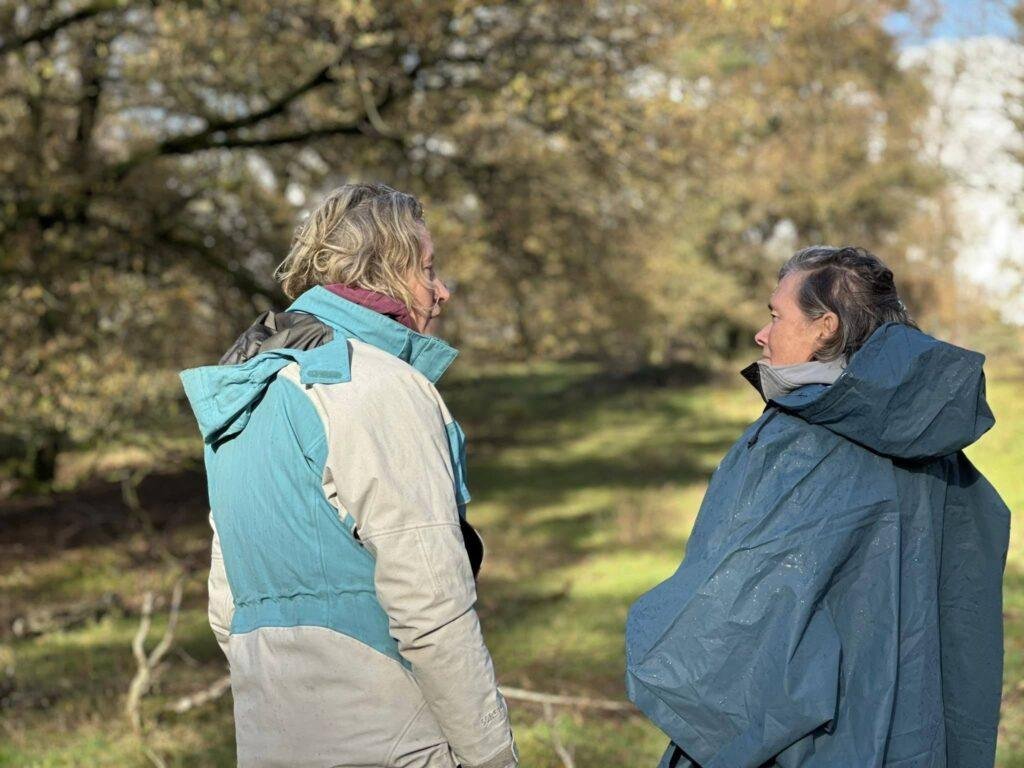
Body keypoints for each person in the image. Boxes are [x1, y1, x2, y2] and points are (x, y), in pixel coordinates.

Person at [626, 246, 1010, 768]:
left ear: (824, 326)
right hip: (910, 733)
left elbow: (740, 618)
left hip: (805, 742)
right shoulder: (935, 444)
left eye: (775, 315)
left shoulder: (802, 442)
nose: (762, 334)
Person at [180, 183, 517, 768]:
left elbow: (224, 603)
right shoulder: (379, 386)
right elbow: (431, 606)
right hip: (389, 735)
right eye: (428, 270)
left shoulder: (247, 393)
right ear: (383, 273)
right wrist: (492, 758)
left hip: (268, 734)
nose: (443, 292)